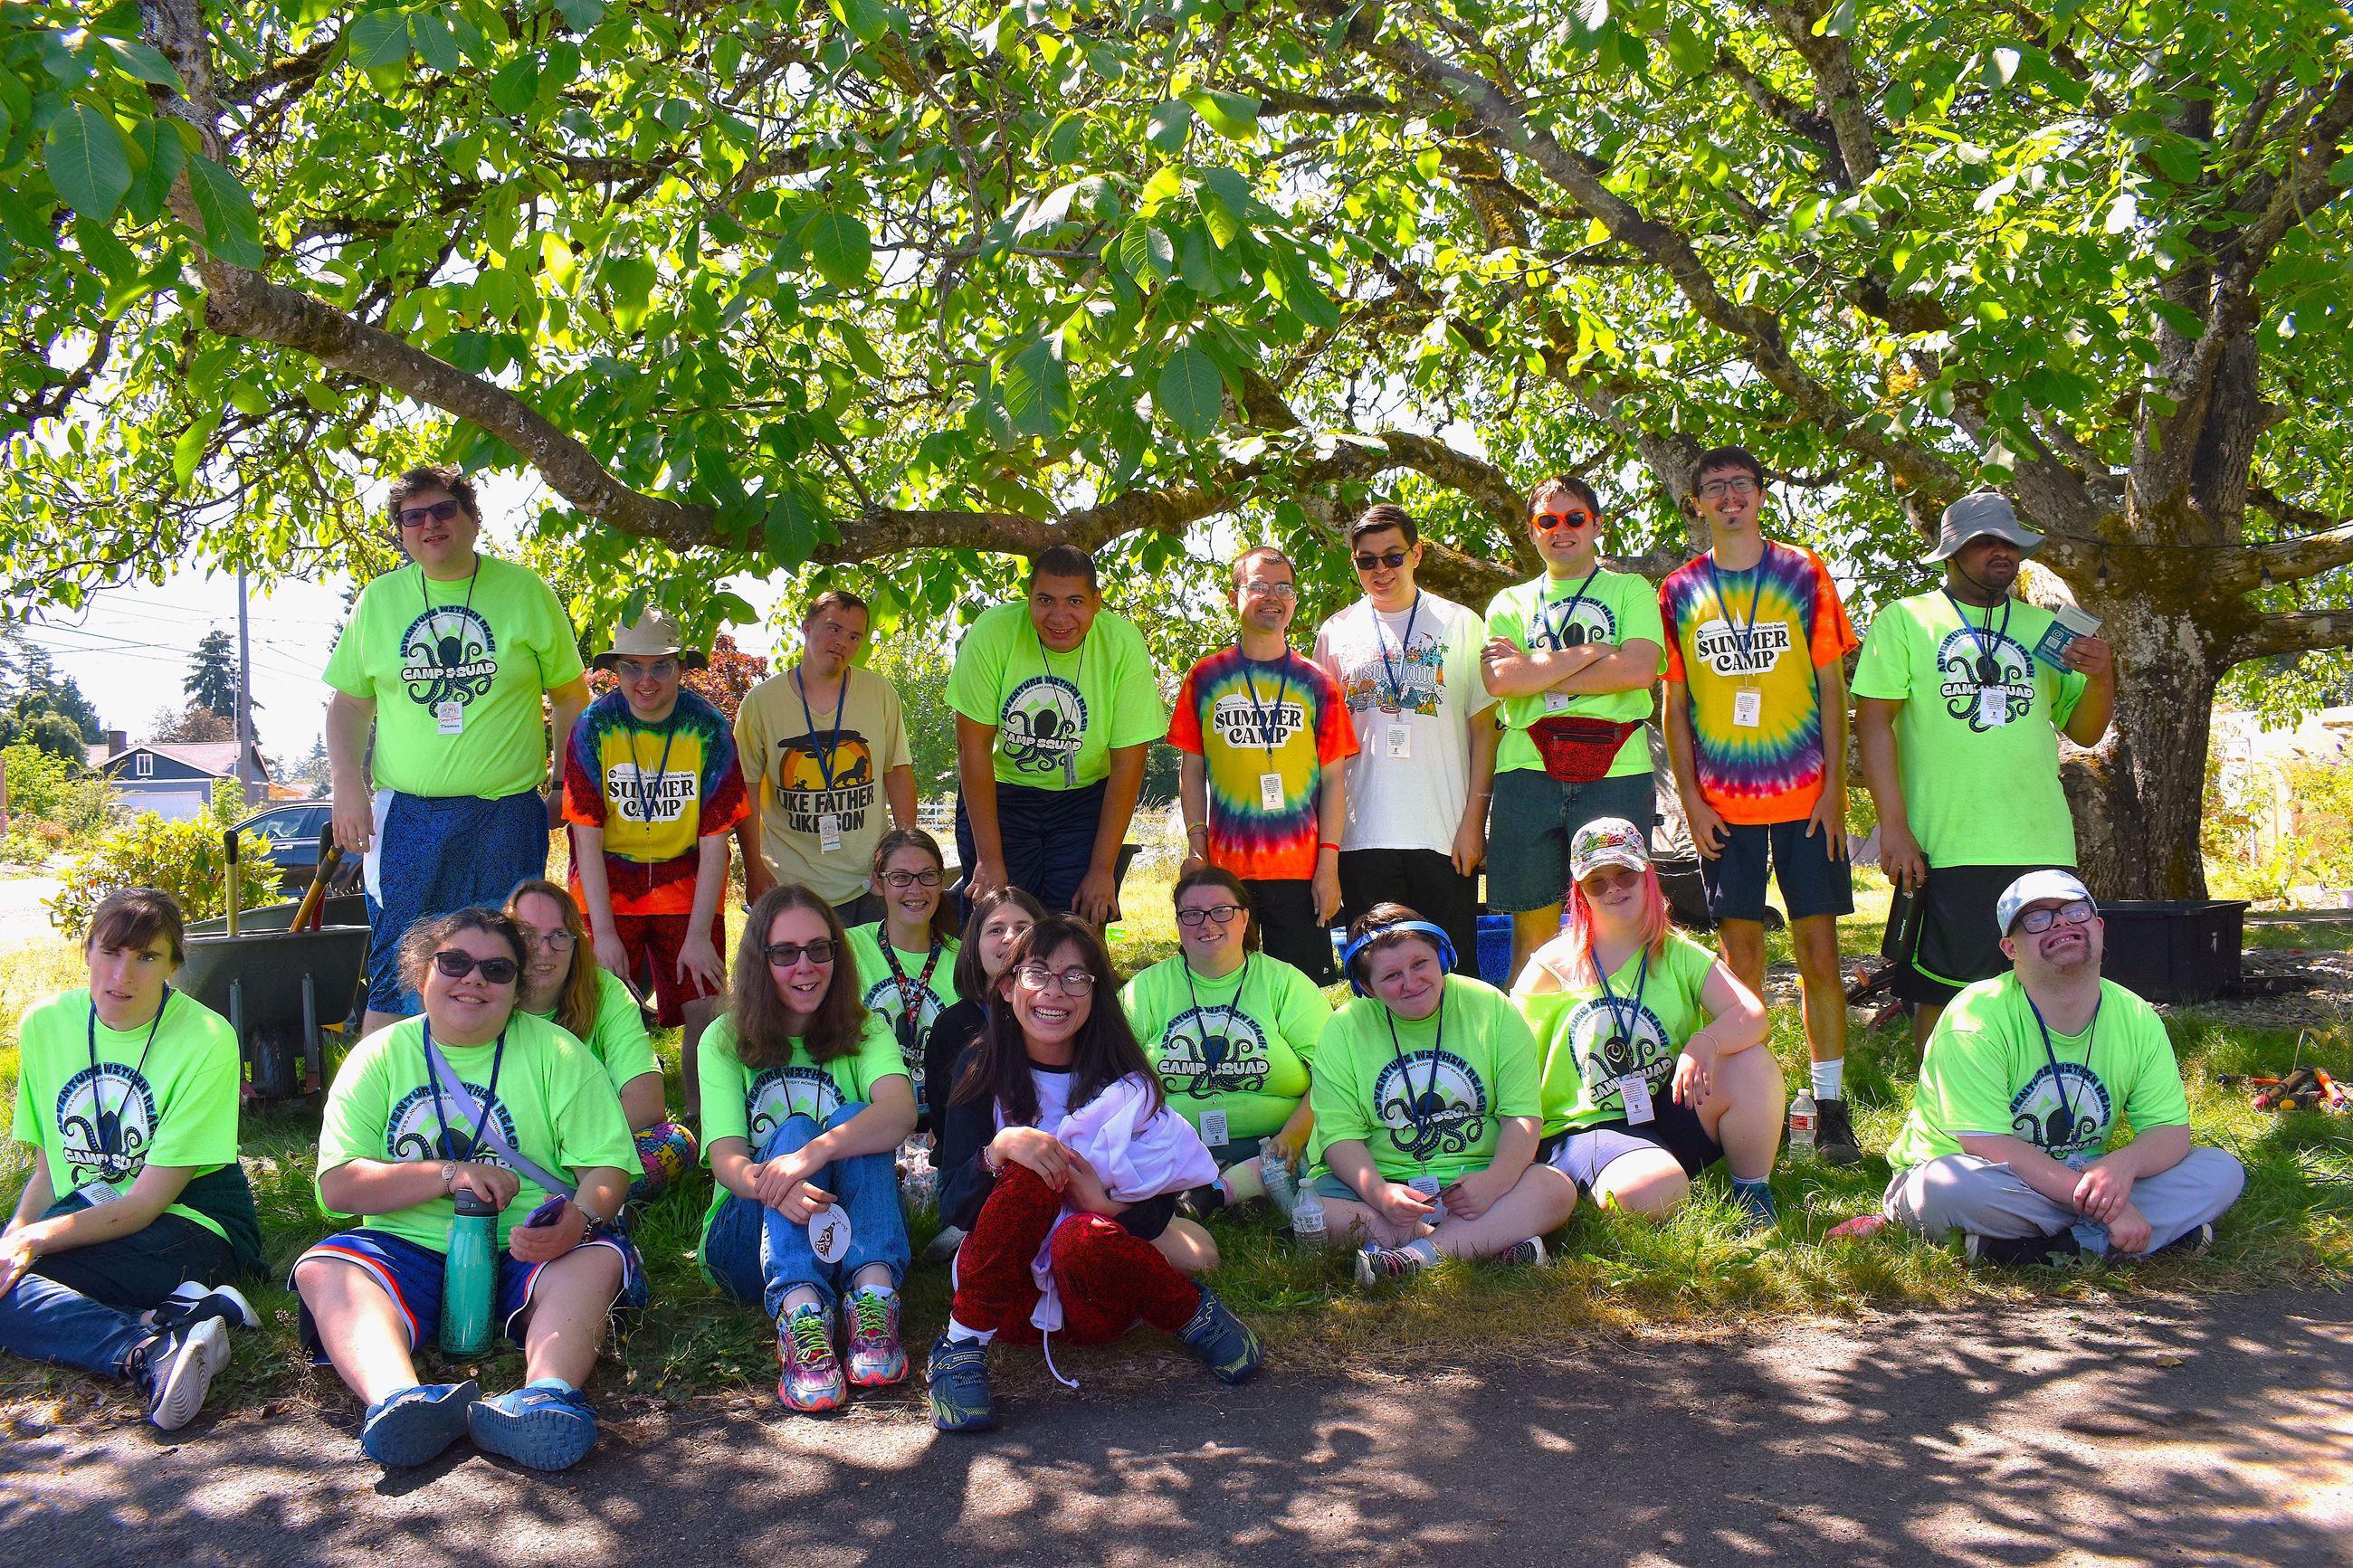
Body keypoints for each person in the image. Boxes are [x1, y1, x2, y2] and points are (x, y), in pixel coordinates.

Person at [293, 908, 641, 1471]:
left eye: (497, 969)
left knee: (597, 1260)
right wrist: (448, 1174)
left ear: (518, 984)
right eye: (454, 962)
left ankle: (546, 1397)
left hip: (529, 1243)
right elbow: (338, 1187)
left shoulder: (558, 1053)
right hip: (406, 1248)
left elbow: (607, 1174)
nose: (474, 979)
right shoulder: (379, 1055)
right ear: (421, 972)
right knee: (324, 1268)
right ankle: (399, 1402)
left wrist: (577, 1218)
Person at [926, 916, 1262, 1432]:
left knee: (1083, 1236)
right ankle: (961, 1345)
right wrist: (998, 1150)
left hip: (1097, 1294)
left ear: (1096, 992)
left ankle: (1192, 1313)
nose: (1054, 992)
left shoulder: (1122, 1080)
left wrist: (1106, 1205)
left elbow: (1158, 1201)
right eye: (1037, 973)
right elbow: (955, 1207)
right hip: (1002, 1298)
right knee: (1033, 1165)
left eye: (1075, 977)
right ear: (1009, 986)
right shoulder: (981, 1065)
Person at [327, 465, 592, 1037]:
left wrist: (561, 785)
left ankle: (502, 1093)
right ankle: (384, 1103)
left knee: (502, 957)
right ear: (401, 530)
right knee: (403, 959)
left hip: (506, 810)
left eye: (444, 510)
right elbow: (348, 706)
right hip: (409, 816)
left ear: (472, 519)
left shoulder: (526, 591)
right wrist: (346, 783)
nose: (430, 524)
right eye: (413, 516)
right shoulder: (379, 601)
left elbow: (571, 697)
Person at [1658, 447, 1864, 1163]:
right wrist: (1690, 798)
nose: (1729, 498)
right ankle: (1757, 1102)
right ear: (1698, 505)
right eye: (1714, 489)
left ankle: (1830, 1105)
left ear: (1761, 494)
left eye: (1740, 485)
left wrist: (1837, 787)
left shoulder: (1804, 573)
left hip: (1807, 800)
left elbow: (1834, 688)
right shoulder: (1679, 589)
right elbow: (1674, 703)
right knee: (1739, 961)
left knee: (1818, 952)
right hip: (1724, 806)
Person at [1854, 492, 2118, 1050]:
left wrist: (2100, 678)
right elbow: (1873, 723)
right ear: (1951, 553)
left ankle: (2036, 1099)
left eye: (2011, 543)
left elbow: (2087, 731)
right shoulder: (1905, 621)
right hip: (1948, 844)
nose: (2002, 552)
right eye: (1985, 543)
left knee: (2048, 988)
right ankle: (1940, 1118)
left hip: (2040, 842)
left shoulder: (2047, 629)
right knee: (1943, 995)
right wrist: (1894, 828)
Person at [1, 889, 263, 1430]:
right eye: (111, 951)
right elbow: (50, 1171)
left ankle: (145, 1352)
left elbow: (145, 1204)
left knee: (15, 1288)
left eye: (147, 957)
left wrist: (32, 1244)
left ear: (173, 965)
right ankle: (182, 1317)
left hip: (191, 1219)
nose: (124, 973)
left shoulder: (208, 1038)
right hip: (86, 1212)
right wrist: (16, 1237)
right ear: (86, 951)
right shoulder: (45, 1025)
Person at [1882, 872, 2244, 1263]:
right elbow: (1989, 1145)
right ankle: (2123, 1237)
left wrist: (2122, 1165)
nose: (2061, 923)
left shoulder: (2136, 1017)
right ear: (2010, 947)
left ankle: (2032, 1251)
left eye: (2075, 911)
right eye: (2036, 919)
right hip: (1987, 1175)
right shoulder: (1975, 1017)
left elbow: (2170, 1132)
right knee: (1947, 1188)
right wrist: (2115, 1207)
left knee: (2222, 1171)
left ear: (2099, 928)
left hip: (2082, 1175)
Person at [698, 886, 917, 1412]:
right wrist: (776, 1185)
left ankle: (872, 1300)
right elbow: (726, 1158)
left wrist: (814, 1155)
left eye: (820, 950)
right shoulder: (722, 1039)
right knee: (791, 1129)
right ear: (759, 960)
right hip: (747, 1241)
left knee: (851, 1123)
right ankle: (801, 1315)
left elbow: (900, 1113)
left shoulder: (865, 1029)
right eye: (785, 953)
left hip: (848, 1228)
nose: (806, 966)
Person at [1514, 819, 1784, 1227]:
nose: (1614, 888)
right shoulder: (1550, 968)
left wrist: (1706, 1041)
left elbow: (1751, 1014)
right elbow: (1510, 1065)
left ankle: (1752, 1194)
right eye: (1597, 882)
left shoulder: (1677, 953)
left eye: (1625, 874)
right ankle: (1586, 1184)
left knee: (1750, 1061)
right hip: (1585, 1126)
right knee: (1658, 1193)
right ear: (1580, 893)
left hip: (1663, 1108)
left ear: (1648, 876)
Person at [1309, 904, 1575, 1281]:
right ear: (1366, 987)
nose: (1411, 982)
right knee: (1319, 1214)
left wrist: (1496, 1180)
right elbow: (1339, 1137)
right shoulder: (1343, 1029)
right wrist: (1381, 1194)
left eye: (1420, 964)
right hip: (1386, 1186)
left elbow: (1522, 1114)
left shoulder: (1491, 1007)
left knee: (1555, 1189)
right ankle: (1486, 1242)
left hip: (1478, 1182)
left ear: (1443, 958)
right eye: (1392, 975)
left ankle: (1413, 1256)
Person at [1481, 477, 1668, 982]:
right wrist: (1592, 652)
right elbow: (1501, 679)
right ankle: (1533, 1050)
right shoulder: (1509, 602)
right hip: (1527, 769)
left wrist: (1537, 672)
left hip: (1618, 766)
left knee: (1620, 921)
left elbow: (1638, 671)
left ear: (1597, 526)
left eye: (1574, 519)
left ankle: (1622, 1041)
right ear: (1531, 532)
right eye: (1548, 521)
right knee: (1532, 936)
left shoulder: (1631, 588)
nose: (1561, 530)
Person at [1312, 504, 1499, 973]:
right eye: (1367, 560)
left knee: (1452, 972)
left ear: (1416, 555)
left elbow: (1484, 729)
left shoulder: (1460, 624)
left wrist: (1475, 819)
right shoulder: (1335, 632)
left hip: (1444, 832)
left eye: (1393, 557)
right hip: (1361, 835)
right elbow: (1324, 748)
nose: (1381, 570)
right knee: (1378, 972)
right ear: (1354, 564)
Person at [563, 610, 747, 1082]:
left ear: (681, 668)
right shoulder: (592, 727)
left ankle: (708, 1126)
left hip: (685, 885)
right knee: (594, 1013)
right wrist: (602, 935)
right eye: (632, 667)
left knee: (706, 1010)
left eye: (660, 666)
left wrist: (700, 935)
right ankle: (607, 1123)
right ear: (616, 668)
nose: (646, 681)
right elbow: (585, 839)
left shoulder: (708, 727)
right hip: (608, 886)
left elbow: (714, 843)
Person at [949, 546, 1167, 923]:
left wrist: (1102, 869)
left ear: (1097, 602)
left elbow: (1129, 764)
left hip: (1083, 801)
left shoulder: (1122, 644)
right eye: (1045, 600)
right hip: (1002, 794)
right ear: (1028, 596)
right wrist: (989, 860)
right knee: (1002, 922)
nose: (1059, 616)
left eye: (1076, 601)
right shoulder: (992, 632)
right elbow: (973, 749)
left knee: (1077, 924)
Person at [1170, 546, 1358, 981]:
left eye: (1283, 588)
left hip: (1299, 868)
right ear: (1235, 595)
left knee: (1304, 991)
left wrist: (1329, 868)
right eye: (1258, 586)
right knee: (1224, 985)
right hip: (1224, 869)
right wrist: (1197, 846)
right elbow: (1192, 771)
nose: (1272, 596)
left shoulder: (1318, 683)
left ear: (1294, 601)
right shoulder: (1205, 677)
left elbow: (1334, 783)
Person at [1120, 868, 1331, 1212]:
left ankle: (1216, 1189)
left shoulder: (1285, 983)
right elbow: (1113, 1076)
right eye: (1192, 914)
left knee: (1329, 1146)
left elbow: (1333, 1074)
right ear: (1177, 922)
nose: (1207, 924)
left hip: (1279, 1138)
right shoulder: (1145, 989)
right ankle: (1233, 1187)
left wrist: (1292, 1135)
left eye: (1222, 911)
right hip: (1170, 1141)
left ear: (1245, 918)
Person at [735, 589, 916, 927]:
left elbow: (897, 771)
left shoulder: (879, 693)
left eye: (854, 636)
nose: (841, 642)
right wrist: (753, 867)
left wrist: (905, 851)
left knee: (871, 978)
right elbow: (746, 789)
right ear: (805, 627)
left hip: (869, 880)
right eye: (833, 628)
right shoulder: (762, 702)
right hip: (791, 884)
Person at [504, 879, 695, 1201]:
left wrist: (570, 1152)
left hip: (593, 1149)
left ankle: (559, 1194)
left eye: (558, 936)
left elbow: (647, 1104)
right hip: (507, 1148)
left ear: (577, 942)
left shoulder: (605, 990)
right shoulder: (485, 992)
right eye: (526, 935)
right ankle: (579, 1197)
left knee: (674, 1143)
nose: (543, 949)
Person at [844, 828, 962, 1136]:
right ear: (878, 882)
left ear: (941, 882)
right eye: (900, 877)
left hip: (944, 1123)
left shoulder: (964, 959)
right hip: (865, 1120)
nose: (915, 888)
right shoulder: (848, 948)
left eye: (927, 876)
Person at [923, 885, 1047, 1137]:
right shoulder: (953, 1027)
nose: (1010, 938)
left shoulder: (1061, 1013)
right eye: (996, 930)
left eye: (1023, 929)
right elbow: (947, 1126)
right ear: (974, 949)